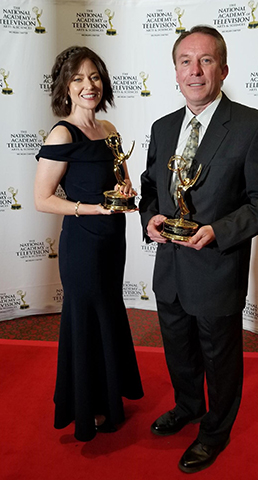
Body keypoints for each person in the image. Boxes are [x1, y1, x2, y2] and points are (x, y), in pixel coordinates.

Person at [139, 25, 258, 473]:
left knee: (219, 357)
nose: (195, 71)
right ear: (175, 72)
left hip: (217, 266)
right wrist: (150, 217)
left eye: (205, 61)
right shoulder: (163, 127)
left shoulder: (253, 127)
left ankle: (215, 431)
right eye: (186, 61)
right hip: (169, 268)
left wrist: (218, 231)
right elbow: (150, 188)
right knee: (177, 348)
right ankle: (187, 406)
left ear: (222, 69)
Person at [34, 46, 143, 442]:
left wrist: (123, 192)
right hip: (83, 243)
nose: (88, 85)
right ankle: (87, 406)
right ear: (65, 86)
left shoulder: (110, 130)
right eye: (78, 78)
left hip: (113, 241)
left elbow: (120, 184)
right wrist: (92, 209)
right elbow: (42, 198)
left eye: (94, 76)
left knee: (109, 313)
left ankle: (109, 398)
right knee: (85, 320)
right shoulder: (62, 133)